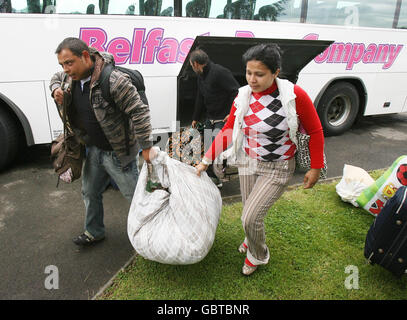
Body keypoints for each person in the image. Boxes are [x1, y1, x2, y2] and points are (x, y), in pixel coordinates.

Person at [196, 43, 325, 275]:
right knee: (249, 212)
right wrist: (206, 160)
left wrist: (315, 167)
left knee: (250, 216)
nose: (252, 79)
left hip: (279, 166)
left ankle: (258, 254)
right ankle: (251, 238)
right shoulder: (243, 95)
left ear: (276, 72)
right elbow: (228, 129)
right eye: (248, 72)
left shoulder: (295, 96)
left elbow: (315, 131)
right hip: (248, 161)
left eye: (259, 74)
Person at [50, 37, 155, 246]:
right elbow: (55, 77)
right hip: (93, 150)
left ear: (86, 56)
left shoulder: (113, 80)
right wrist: (55, 89)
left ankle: (152, 236)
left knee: (137, 198)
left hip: (118, 153)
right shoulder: (69, 78)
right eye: (62, 64)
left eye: (69, 63)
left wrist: (146, 147)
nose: (66, 69)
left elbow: (139, 112)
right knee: (89, 192)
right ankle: (94, 231)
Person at [189, 48, 239, 187]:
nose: (192, 68)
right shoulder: (201, 76)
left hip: (222, 118)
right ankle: (211, 177)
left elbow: (236, 91)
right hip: (209, 117)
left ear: (196, 64)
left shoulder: (220, 72)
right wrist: (195, 117)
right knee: (208, 148)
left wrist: (232, 112)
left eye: (191, 65)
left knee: (215, 148)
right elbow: (200, 96)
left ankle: (218, 177)